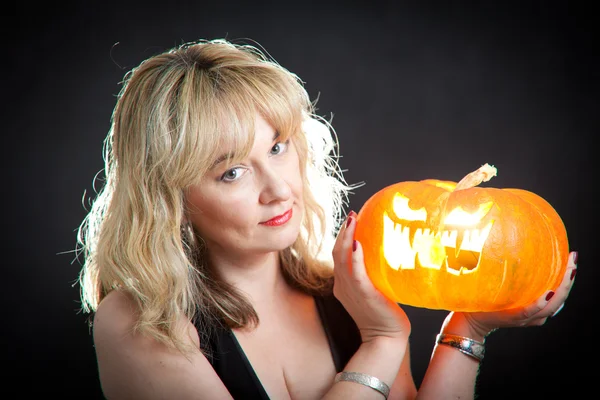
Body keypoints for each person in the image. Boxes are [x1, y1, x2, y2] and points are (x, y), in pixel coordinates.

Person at [76, 38, 578, 400]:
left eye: (277, 147)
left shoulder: (343, 294)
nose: (277, 189)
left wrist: (467, 327)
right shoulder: (142, 321)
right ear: (171, 197)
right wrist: (384, 341)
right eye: (232, 173)